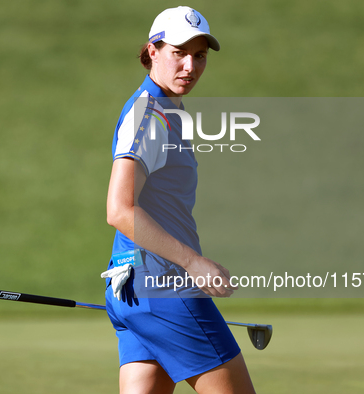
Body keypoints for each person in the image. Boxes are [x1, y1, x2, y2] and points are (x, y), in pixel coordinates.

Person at [102, 6, 256, 394]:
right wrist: (193, 262)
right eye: (178, 52)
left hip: (132, 290)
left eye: (200, 55)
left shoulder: (164, 108)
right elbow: (120, 211)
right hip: (166, 288)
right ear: (152, 51)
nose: (190, 65)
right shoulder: (149, 114)